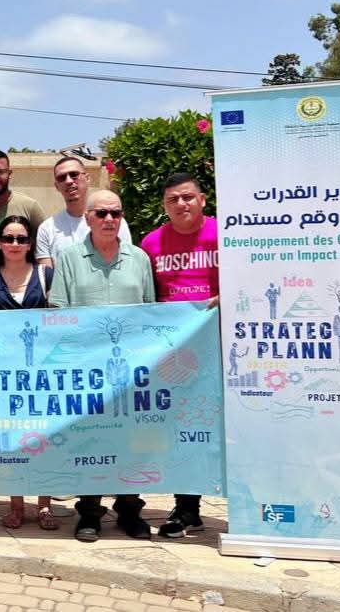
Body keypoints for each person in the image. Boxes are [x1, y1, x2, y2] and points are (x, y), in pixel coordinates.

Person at [49, 189, 156, 543]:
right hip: (88, 371)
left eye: (116, 213)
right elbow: (58, 311)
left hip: (131, 371)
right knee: (90, 440)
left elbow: (150, 313)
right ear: (88, 218)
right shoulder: (69, 258)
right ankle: (90, 511)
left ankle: (129, 509)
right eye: (101, 213)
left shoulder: (139, 258)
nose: (109, 219)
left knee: (131, 442)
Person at [138, 172, 219, 539]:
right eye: (173, 199)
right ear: (164, 206)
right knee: (183, 428)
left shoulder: (224, 234)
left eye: (187, 197)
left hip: (223, 346)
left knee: (226, 427)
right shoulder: (151, 243)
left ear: (202, 199)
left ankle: (248, 507)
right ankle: (187, 509)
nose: (181, 204)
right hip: (176, 353)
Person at [0, 215, 59, 531]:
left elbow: (58, 318)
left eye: (22, 239)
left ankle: (44, 505)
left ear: (30, 244)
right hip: (5, 373)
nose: (15, 244)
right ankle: (16, 505)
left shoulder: (45, 274)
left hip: (41, 373)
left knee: (44, 437)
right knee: (12, 438)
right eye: (9, 238)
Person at [36, 156, 131, 267]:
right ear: (57, 186)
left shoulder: (114, 222)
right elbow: (47, 274)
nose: (68, 181)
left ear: (87, 178)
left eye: (74, 175)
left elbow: (126, 263)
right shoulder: (47, 229)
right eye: (62, 177)